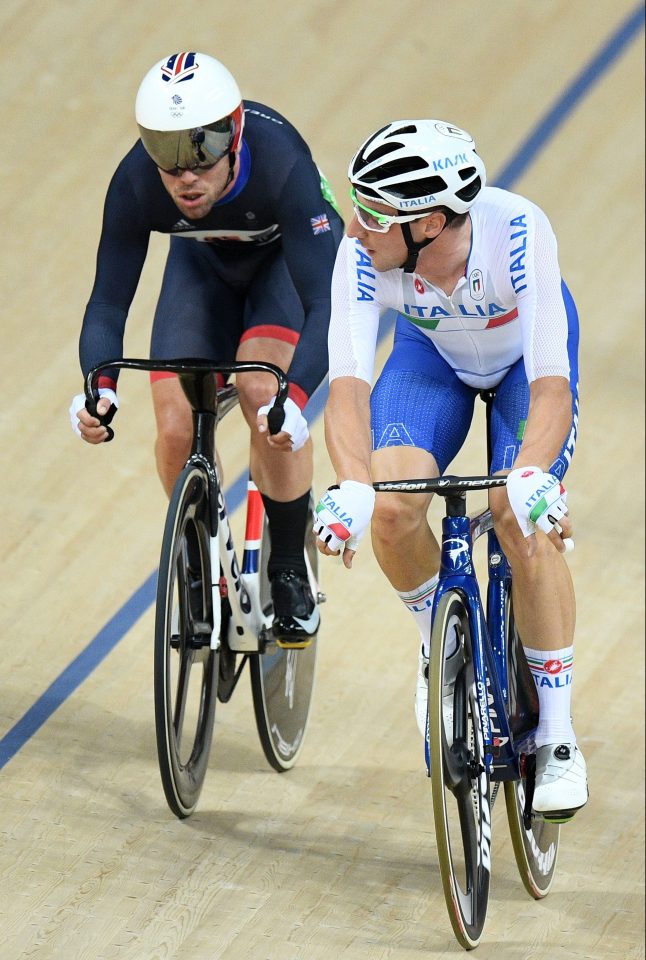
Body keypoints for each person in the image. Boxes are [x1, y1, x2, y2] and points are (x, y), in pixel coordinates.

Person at [313, 119, 588, 819]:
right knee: (391, 509)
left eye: (374, 212)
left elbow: (552, 383)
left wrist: (531, 477)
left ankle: (556, 737)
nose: (354, 225)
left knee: (516, 517)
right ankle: (445, 643)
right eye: (355, 202)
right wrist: (350, 484)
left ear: (431, 222)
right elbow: (347, 386)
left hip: (527, 365)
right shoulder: (361, 253)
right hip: (430, 361)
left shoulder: (518, 230)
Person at [69, 51, 343, 648]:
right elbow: (108, 302)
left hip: (283, 272)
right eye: (166, 156)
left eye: (200, 153)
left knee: (259, 390)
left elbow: (327, 305)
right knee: (173, 427)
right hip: (202, 268)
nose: (184, 176)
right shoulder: (136, 182)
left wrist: (294, 398)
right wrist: (99, 385)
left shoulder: (283, 166)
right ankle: (200, 560)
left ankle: (289, 568)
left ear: (235, 135)